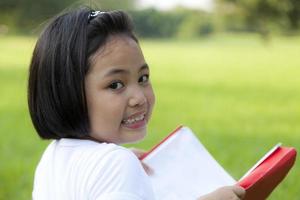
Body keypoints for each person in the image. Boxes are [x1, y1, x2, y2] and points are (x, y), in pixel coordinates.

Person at [28, 7, 246, 200]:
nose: (140, 98)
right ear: (67, 92)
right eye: (115, 85)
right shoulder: (117, 164)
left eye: (143, 78)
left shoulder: (52, 159)